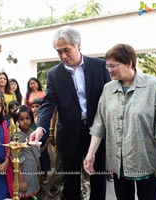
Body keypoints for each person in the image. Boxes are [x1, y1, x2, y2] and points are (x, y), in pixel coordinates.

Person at [83, 44, 156, 200]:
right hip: (118, 165)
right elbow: (100, 124)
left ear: (129, 63)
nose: (109, 70)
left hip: (146, 163)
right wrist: (90, 154)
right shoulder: (108, 89)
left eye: (113, 66)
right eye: (108, 66)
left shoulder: (153, 86)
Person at [30, 26, 111, 200]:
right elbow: (48, 103)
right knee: (71, 181)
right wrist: (41, 128)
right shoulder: (54, 74)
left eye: (66, 50)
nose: (63, 56)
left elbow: (110, 99)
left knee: (98, 179)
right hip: (68, 135)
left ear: (78, 45)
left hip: (97, 133)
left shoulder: (100, 66)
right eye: (59, 52)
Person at [14, 105, 40, 199]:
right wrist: (21, 180)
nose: (25, 121)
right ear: (17, 121)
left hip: (33, 168)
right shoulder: (17, 137)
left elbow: (36, 150)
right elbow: (16, 159)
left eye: (27, 118)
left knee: (33, 189)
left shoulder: (32, 133)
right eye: (21, 119)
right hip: (24, 171)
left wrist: (38, 163)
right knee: (25, 192)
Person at [30, 98, 51, 185]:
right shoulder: (30, 119)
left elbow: (50, 136)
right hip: (33, 145)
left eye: (37, 106)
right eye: (33, 107)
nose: (34, 108)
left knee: (44, 159)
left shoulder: (45, 120)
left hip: (43, 145)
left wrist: (45, 146)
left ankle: (45, 175)